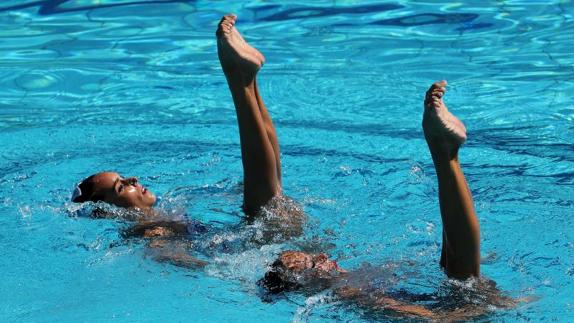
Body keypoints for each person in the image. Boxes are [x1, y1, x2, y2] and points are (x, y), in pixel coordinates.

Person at [259, 81, 523, 319]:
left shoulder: (354, 278)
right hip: (463, 313)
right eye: (316, 261)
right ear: (309, 279)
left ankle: (446, 155)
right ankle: (445, 154)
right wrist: (473, 310)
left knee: (453, 266)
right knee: (461, 274)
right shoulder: (347, 293)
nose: (324, 255)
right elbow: (426, 318)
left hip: (454, 301)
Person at [71, 14, 303, 266]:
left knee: (272, 198)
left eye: (123, 176)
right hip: (259, 251)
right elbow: (179, 259)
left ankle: (249, 81)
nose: (132, 180)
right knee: (267, 205)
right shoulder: (150, 232)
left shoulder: (164, 213)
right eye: (120, 187)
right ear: (106, 211)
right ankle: (242, 81)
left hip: (260, 243)